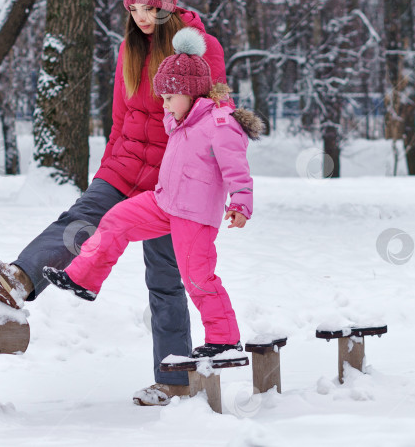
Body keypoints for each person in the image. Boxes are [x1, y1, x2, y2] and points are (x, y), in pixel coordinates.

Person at [0, 0, 227, 406]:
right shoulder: (129, 49)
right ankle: (20, 279)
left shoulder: (199, 48)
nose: (141, 17)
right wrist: (106, 173)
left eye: (149, 8)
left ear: (167, 4)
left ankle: (174, 380)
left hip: (172, 179)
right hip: (124, 167)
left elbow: (214, 116)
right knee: (82, 217)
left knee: (164, 276)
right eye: (133, 9)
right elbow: (120, 119)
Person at [43, 27, 263, 360]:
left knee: (198, 278)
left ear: (189, 93)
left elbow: (237, 170)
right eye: (162, 98)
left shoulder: (219, 123)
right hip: (163, 203)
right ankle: (84, 279)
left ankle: (225, 338)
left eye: (169, 97)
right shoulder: (181, 122)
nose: (165, 105)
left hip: (195, 216)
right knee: (116, 219)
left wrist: (241, 205)